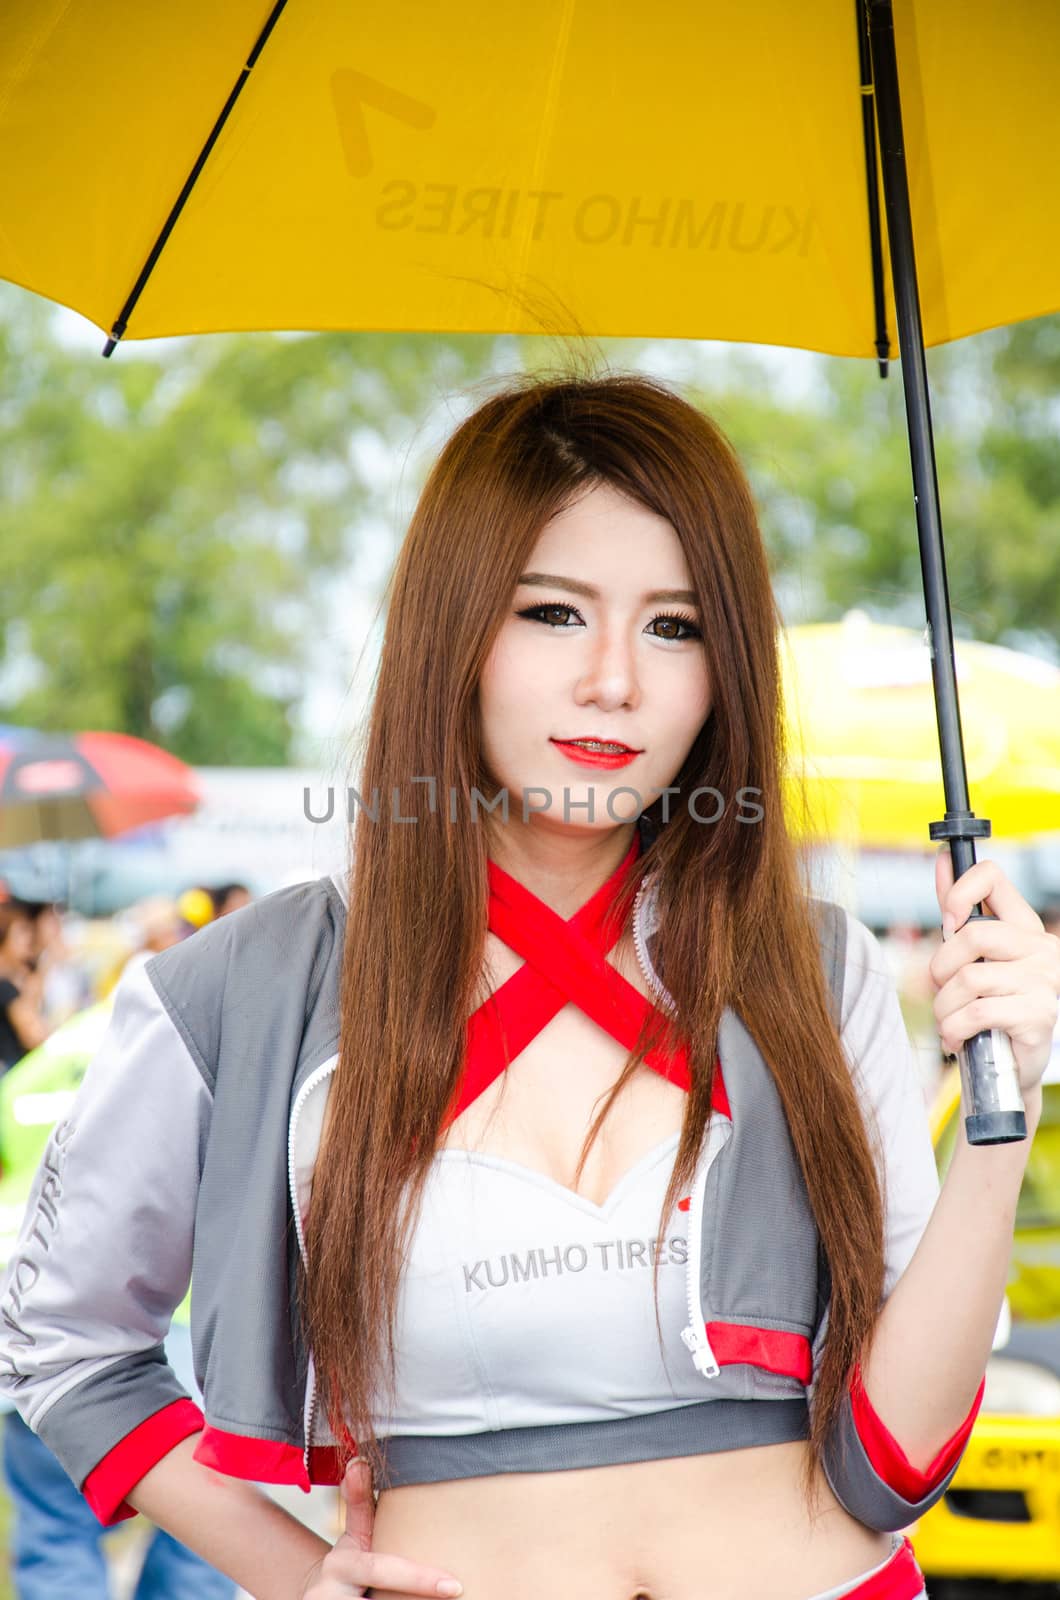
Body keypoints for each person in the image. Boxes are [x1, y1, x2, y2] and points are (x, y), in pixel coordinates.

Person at [0, 371, 1057, 1600]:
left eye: (677, 625)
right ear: (453, 627)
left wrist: (1002, 1112)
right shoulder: (248, 988)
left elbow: (897, 1465)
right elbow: (64, 1337)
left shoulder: (812, 973)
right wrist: (292, 1579)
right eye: (554, 614)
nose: (615, 678)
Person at [0, 902, 49, 1073]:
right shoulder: (5, 987)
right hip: (11, 1076)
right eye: (21, 932)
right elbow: (35, 1036)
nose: (28, 939)